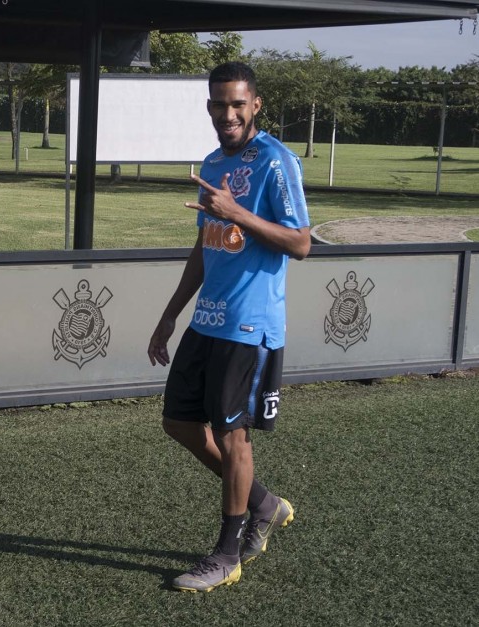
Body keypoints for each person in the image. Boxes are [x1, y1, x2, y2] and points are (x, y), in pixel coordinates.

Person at [147, 61, 309, 592]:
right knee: (177, 422)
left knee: (232, 435)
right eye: (220, 104)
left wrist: (238, 213)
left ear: (255, 104)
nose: (228, 113)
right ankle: (263, 503)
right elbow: (203, 245)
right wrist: (171, 313)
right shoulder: (213, 162)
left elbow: (301, 243)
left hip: (249, 324)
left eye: (238, 104)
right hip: (207, 319)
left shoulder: (277, 162)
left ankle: (227, 553)